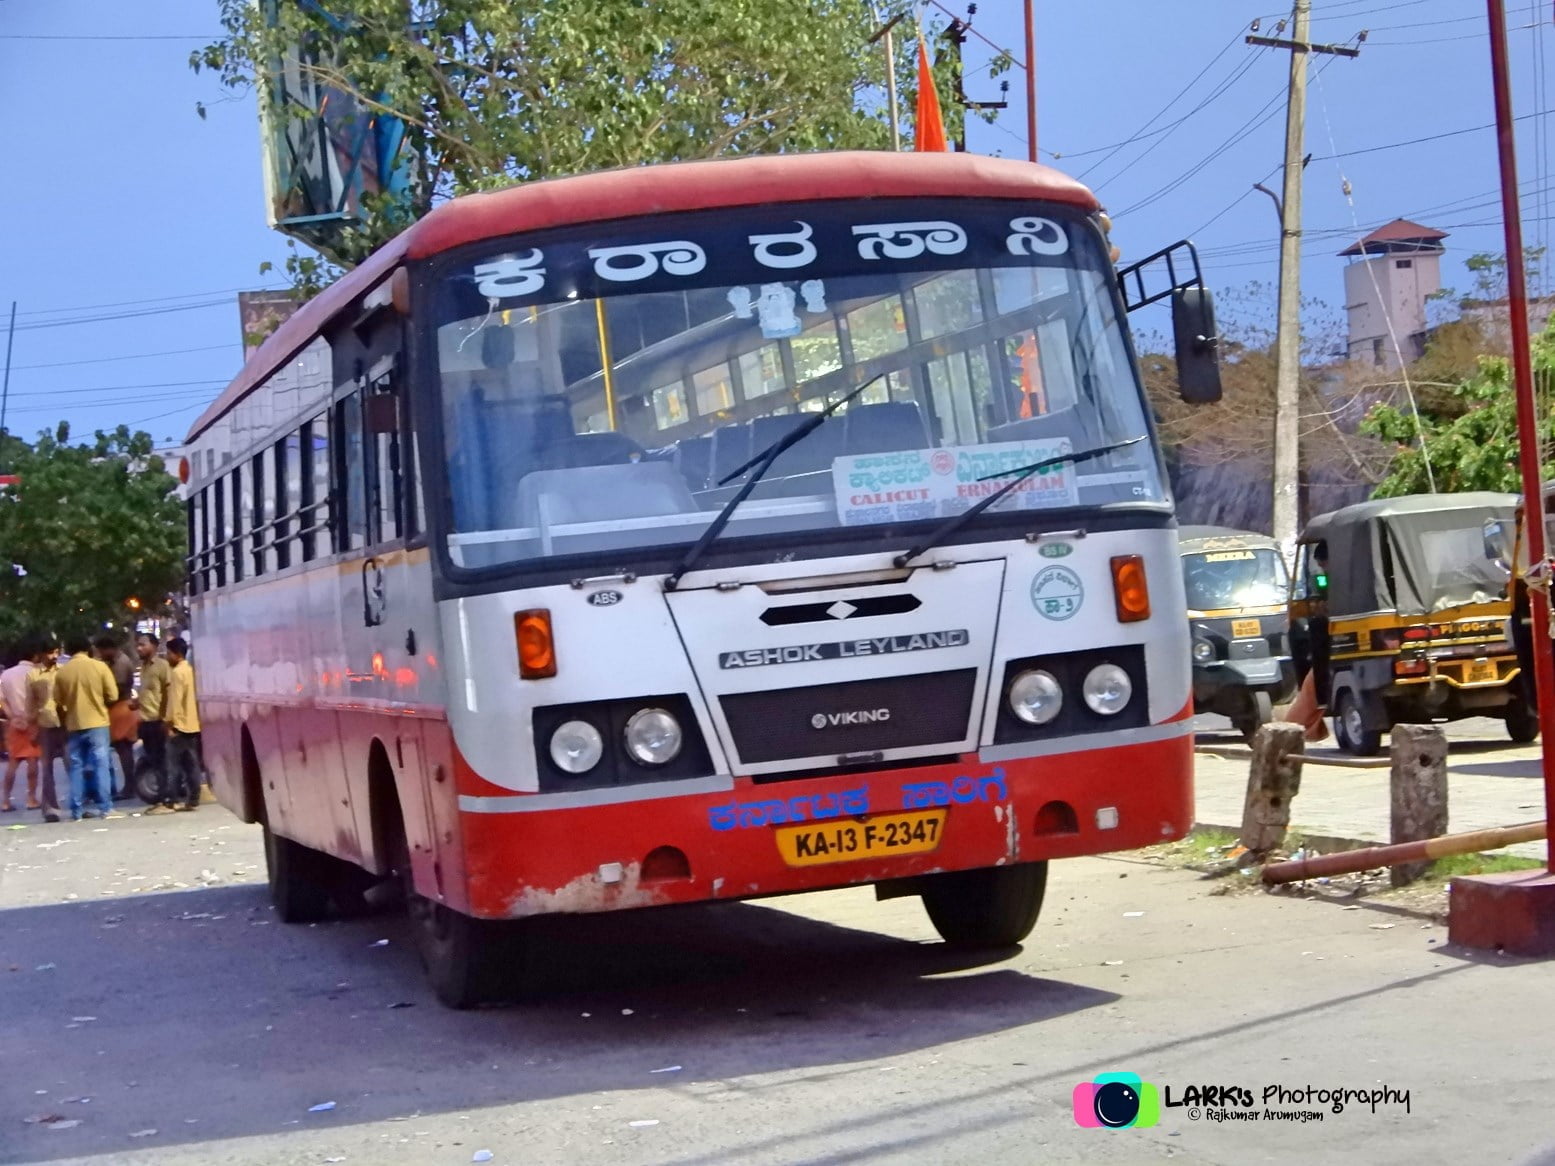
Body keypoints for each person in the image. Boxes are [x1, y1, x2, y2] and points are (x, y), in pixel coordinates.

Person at [53, 634, 119, 821]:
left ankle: (77, 811)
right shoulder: (100, 667)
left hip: (74, 724)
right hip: (98, 722)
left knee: (76, 767)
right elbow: (113, 695)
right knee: (101, 765)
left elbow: (58, 701)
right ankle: (106, 808)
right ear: (87, 648)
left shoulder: (62, 673)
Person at [96, 633, 138, 801]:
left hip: (120, 707)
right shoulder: (114, 661)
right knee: (123, 749)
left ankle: (129, 786)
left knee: (123, 748)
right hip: (120, 707)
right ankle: (129, 785)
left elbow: (117, 689)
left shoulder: (120, 663)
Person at [133, 633, 173, 812]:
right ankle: (160, 798)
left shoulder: (162, 666)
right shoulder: (143, 668)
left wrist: (168, 719)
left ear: (154, 646)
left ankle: (166, 798)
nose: (139, 648)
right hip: (146, 721)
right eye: (138, 645)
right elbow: (148, 694)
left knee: (163, 760)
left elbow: (169, 693)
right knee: (153, 761)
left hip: (159, 721)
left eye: (143, 645)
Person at [26, 640, 64, 823]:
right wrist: (31, 727)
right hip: (44, 724)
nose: (54, 656)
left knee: (74, 764)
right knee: (47, 769)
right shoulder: (33, 675)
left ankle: (80, 803)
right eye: (50, 653)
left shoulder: (63, 671)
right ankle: (50, 807)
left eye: (56, 652)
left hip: (64, 723)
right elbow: (30, 704)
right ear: (41, 655)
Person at [1, 639, 42, 812]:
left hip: (14, 723)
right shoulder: (37, 673)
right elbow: (42, 699)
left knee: (13, 762)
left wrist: (12, 717)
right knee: (32, 760)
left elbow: (2, 699)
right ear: (34, 655)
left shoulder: (6, 674)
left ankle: (5, 800)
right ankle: (31, 798)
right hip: (33, 721)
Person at [164, 638, 202, 813]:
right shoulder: (191, 671)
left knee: (174, 765)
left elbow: (176, 701)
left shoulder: (177, 673)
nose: (167, 656)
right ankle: (193, 799)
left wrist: (170, 723)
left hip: (180, 725)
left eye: (168, 653)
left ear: (177, 654)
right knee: (192, 764)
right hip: (193, 724)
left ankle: (172, 799)